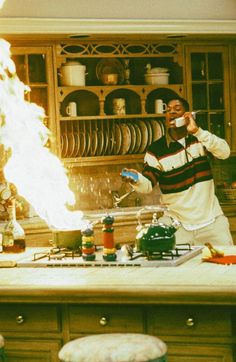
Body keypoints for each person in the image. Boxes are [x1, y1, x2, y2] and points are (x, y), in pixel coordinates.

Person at [121, 97, 233, 246]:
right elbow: (147, 185)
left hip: (212, 223)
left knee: (227, 268)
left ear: (188, 115)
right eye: (168, 110)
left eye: (177, 109)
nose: (171, 112)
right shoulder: (156, 150)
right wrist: (136, 179)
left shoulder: (200, 139)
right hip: (177, 225)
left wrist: (197, 131)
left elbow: (224, 152)